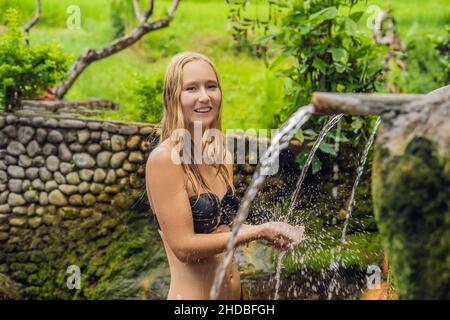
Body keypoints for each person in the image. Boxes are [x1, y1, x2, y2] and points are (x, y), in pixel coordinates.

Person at [145, 51, 305, 300]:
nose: (204, 96)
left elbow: (224, 230)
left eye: (211, 86)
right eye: (191, 88)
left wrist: (274, 231)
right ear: (172, 98)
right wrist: (258, 231)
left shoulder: (220, 156)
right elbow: (184, 247)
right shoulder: (165, 160)